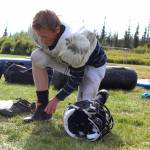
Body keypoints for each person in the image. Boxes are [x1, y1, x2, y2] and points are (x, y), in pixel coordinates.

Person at [23, 9, 107, 123]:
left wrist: (56, 99)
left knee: (83, 112)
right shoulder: (37, 30)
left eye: (45, 36)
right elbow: (46, 47)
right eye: (39, 36)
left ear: (57, 29)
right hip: (68, 62)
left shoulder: (73, 42)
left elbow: (78, 76)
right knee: (37, 56)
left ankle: (99, 99)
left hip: (93, 67)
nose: (41, 41)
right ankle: (42, 109)